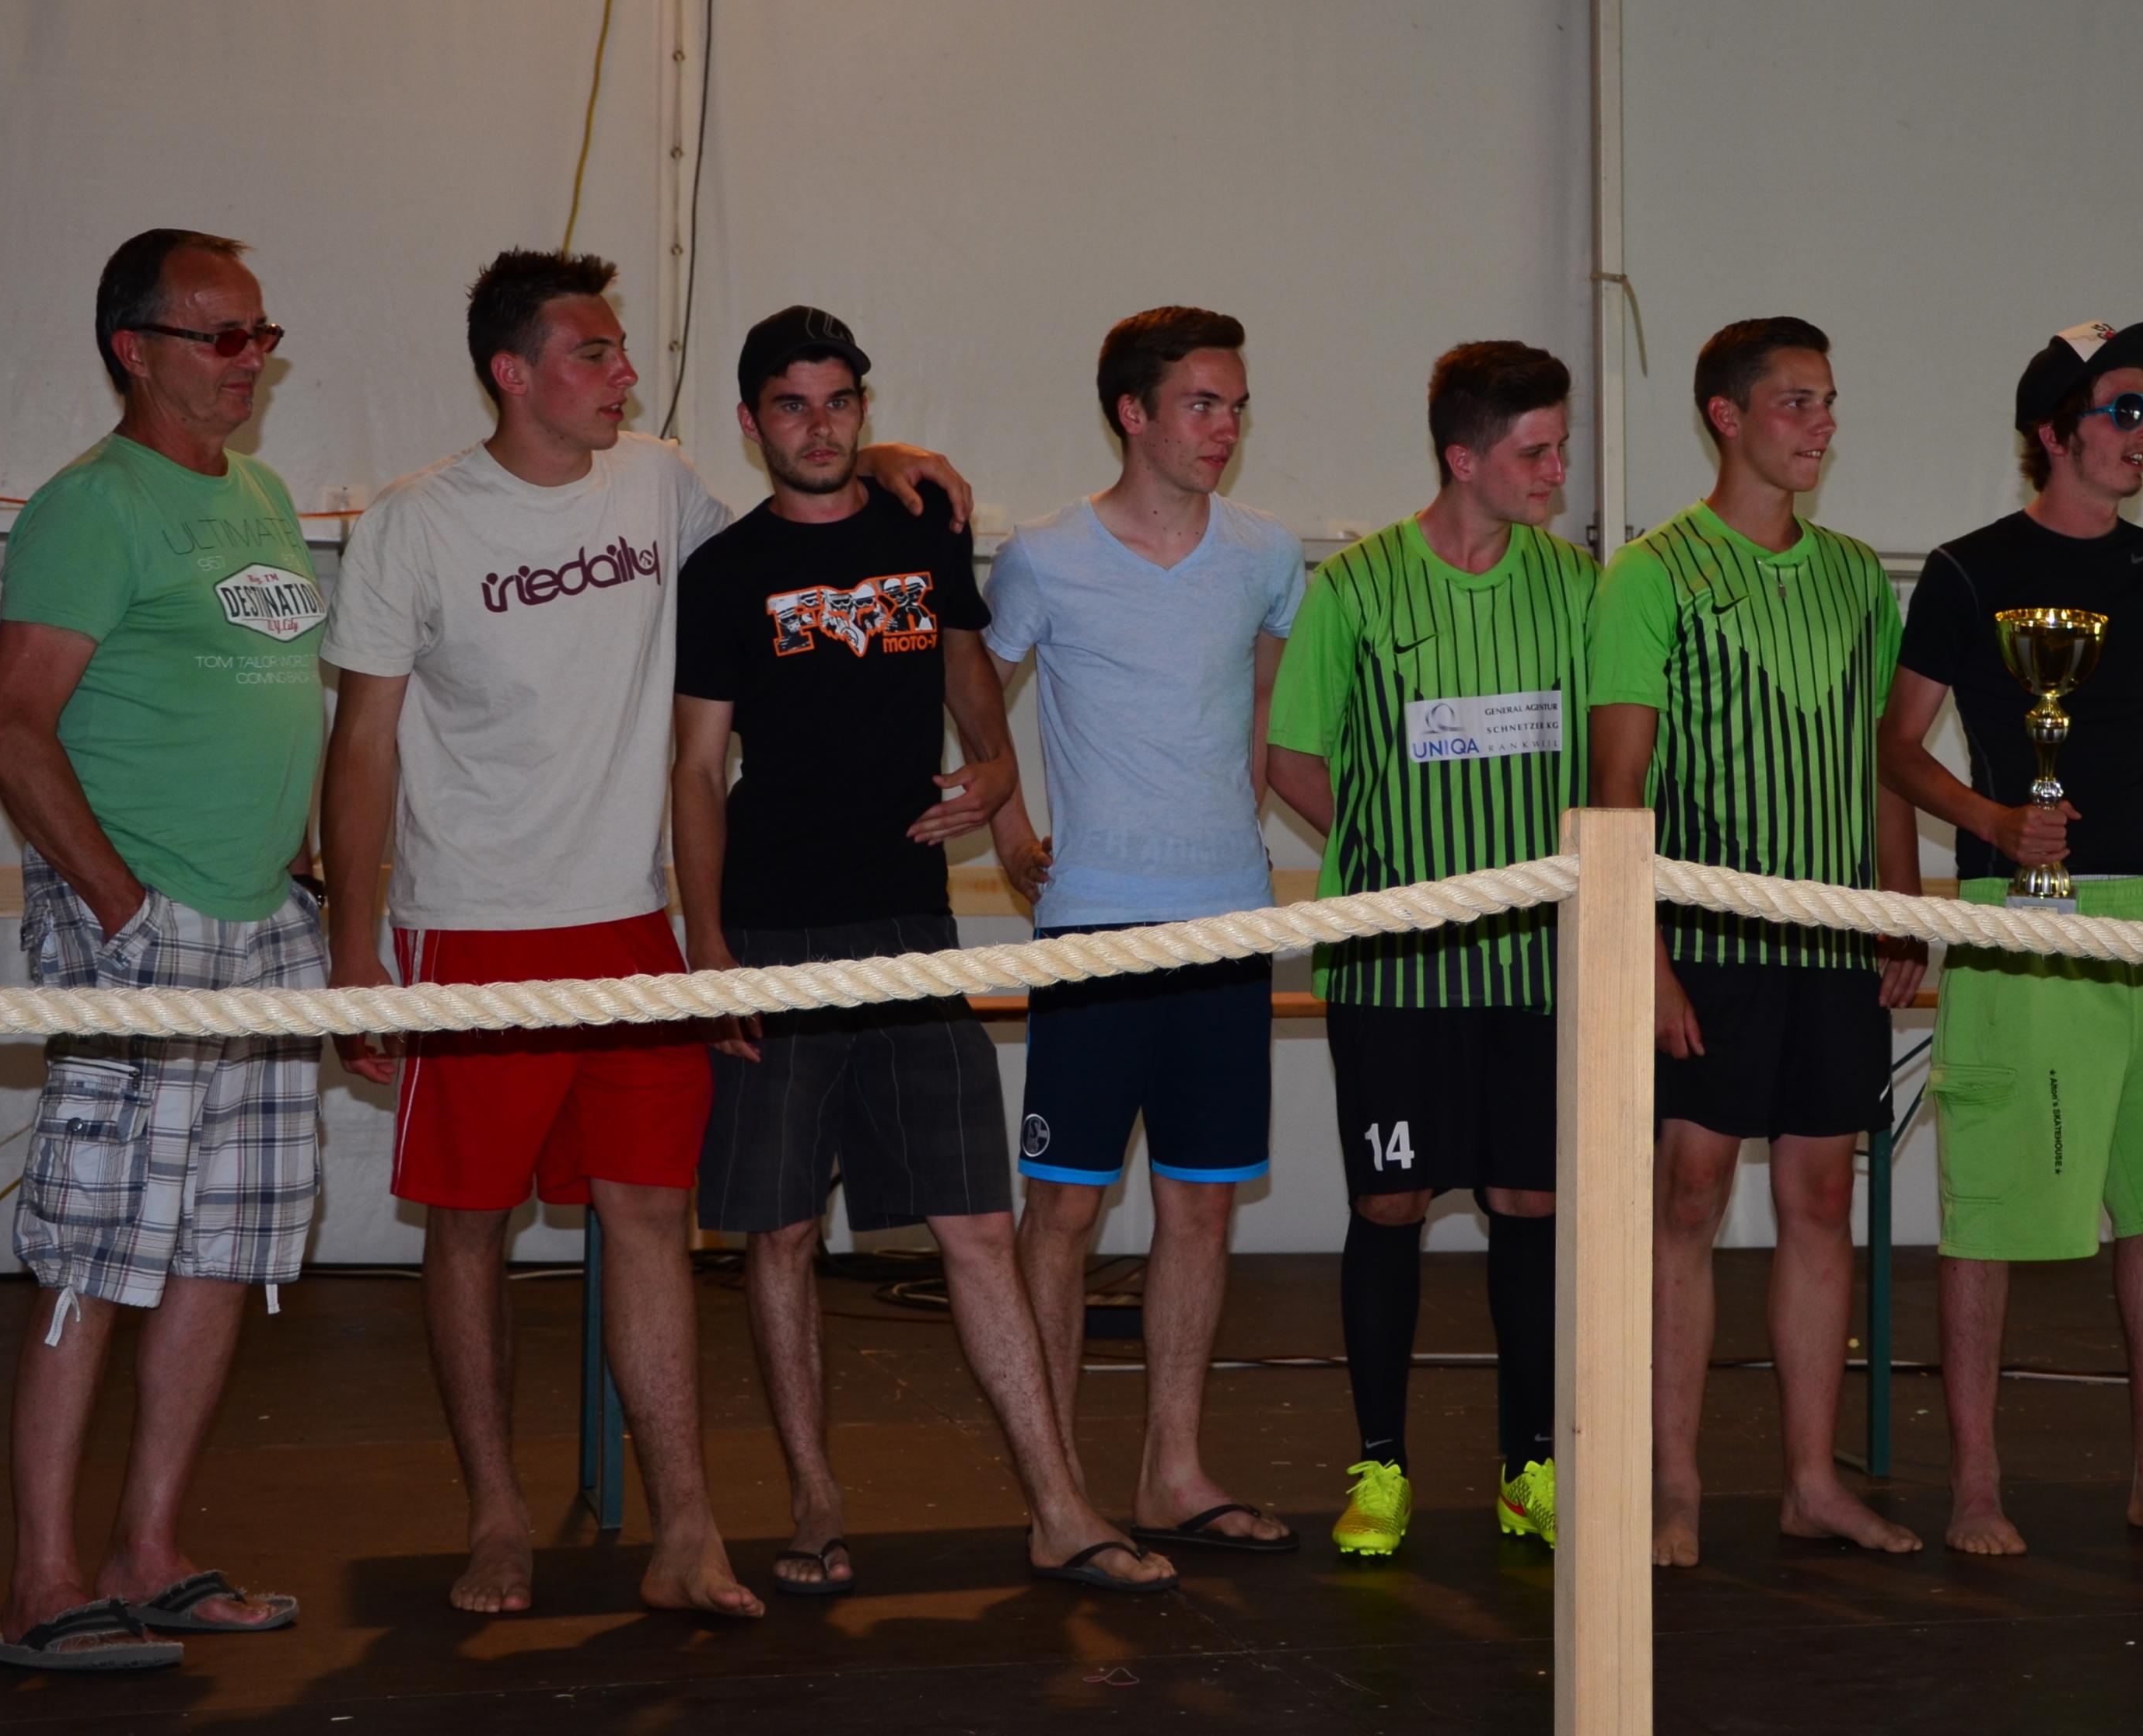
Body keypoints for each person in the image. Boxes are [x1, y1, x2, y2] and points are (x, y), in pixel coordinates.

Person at [318, 250, 966, 1619]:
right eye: (595, 353)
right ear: (514, 373)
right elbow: (362, 745)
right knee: (470, 1227)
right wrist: (353, 951)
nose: (623, 374)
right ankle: (498, 1518)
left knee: (653, 1214)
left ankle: (686, 1528)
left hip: (634, 927)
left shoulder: (660, 484)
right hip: (474, 925)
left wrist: (881, 452)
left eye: (620, 353)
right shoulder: (415, 525)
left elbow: (799, 513)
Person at [671, 306, 1176, 1595]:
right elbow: (696, 768)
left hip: (910, 927)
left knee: (974, 1223)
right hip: (773, 932)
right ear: (751, 421)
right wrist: (710, 948)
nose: (820, 425)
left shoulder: (924, 529)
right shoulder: (723, 571)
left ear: (863, 405)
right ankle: (815, 1501)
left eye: (839, 400)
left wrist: (995, 780)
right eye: (792, 405)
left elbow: (971, 683)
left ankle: (1057, 1505)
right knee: (779, 1232)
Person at [0, 230, 320, 1671]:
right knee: (94, 1253)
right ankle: (44, 1581)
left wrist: (295, 862)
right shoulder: (89, 508)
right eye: (220, 336)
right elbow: (9, 727)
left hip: (264, 922)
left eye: (260, 333)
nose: (250, 360)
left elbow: (259, 694)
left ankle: (149, 1552)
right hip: (145, 924)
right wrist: (121, 905)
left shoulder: (264, 495)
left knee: (224, 1249)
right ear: (136, 349)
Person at [1876, 320, 2143, 1557]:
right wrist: (1991, 822)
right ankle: (1975, 1485)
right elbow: (1895, 746)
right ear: (2054, 431)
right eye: (2125, 409)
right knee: (1990, 1205)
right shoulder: (1966, 569)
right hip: (2016, 909)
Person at [1588, 316, 1925, 1569]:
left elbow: (1883, 761)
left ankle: (1809, 1481)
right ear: (1726, 417)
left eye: (1829, 401)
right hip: (1706, 937)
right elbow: (1616, 783)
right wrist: (1646, 956)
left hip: (1835, 937)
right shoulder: (1651, 573)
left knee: (1822, 1197)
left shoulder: (1856, 576)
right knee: (1688, 1192)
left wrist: (1902, 906)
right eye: (1797, 401)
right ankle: (1671, 1484)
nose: (1822, 423)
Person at [985, 306, 1306, 1555]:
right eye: (1202, 404)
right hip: (1097, 929)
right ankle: (1055, 1490)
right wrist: (1012, 834)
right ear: (1134, 411)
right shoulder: (1045, 556)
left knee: (1201, 1207)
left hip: (1226, 916)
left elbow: (1272, 708)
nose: (1226, 427)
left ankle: (1173, 1469)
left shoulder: (1266, 554)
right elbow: (976, 699)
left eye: (1238, 406)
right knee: (1063, 1212)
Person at [1264, 341, 1593, 1556]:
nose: (1556, 472)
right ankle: (1382, 1467)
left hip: (1538, 967)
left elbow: (1618, 746)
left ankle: (1530, 1465)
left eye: (1561, 447)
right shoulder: (1355, 587)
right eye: (1535, 452)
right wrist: (1388, 858)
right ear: (1463, 458)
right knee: (1390, 1200)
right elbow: (1292, 754)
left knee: (1530, 1200)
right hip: (1394, 969)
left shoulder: (1580, 587)